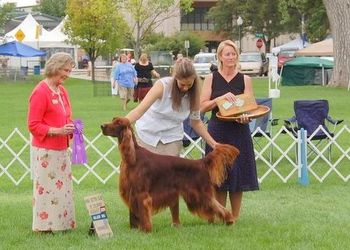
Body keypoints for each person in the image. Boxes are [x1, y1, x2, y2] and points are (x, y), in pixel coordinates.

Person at [125, 58, 218, 223]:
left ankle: (175, 220)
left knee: (174, 179)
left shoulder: (194, 92)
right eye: (182, 84)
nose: (185, 87)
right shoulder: (162, 86)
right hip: (148, 133)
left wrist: (213, 143)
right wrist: (122, 123)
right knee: (139, 179)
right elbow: (139, 110)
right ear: (175, 78)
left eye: (189, 84)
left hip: (172, 136)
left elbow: (195, 121)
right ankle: (137, 219)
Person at [200, 40, 259, 223]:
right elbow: (202, 107)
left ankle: (234, 216)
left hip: (239, 131)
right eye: (227, 54)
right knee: (218, 174)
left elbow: (250, 108)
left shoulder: (245, 79)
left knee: (238, 173)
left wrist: (247, 117)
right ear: (220, 57)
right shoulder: (211, 79)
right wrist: (219, 99)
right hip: (217, 130)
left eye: (233, 54)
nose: (231, 57)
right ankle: (220, 214)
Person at [27, 52, 76, 233]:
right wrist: (57, 131)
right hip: (46, 150)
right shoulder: (40, 91)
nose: (67, 75)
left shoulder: (62, 91)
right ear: (55, 67)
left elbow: (66, 116)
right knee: (47, 190)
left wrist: (72, 127)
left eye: (70, 71)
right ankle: (43, 227)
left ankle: (62, 225)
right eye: (65, 70)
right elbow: (33, 125)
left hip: (63, 148)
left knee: (62, 189)